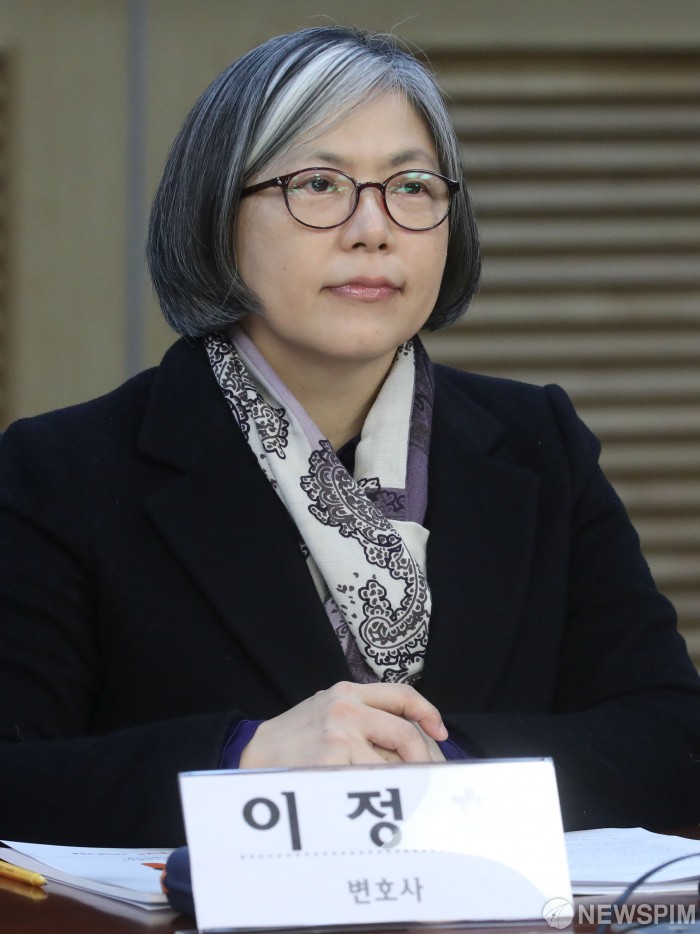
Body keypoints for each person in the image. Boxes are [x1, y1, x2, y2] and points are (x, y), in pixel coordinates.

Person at [0, 25, 698, 848]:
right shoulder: (60, 473)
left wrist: (445, 769)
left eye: (411, 186)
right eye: (319, 183)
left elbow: (673, 739)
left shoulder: (538, 443)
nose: (374, 228)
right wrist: (242, 760)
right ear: (215, 213)